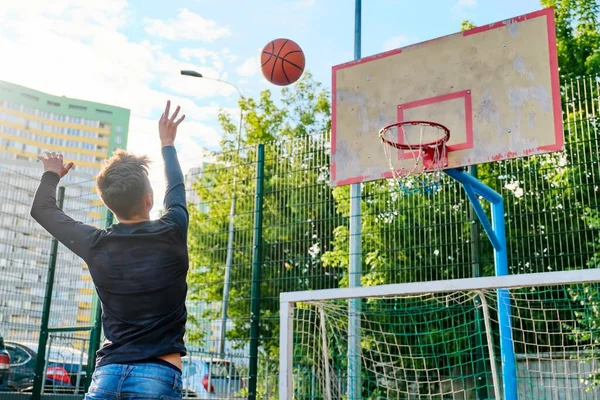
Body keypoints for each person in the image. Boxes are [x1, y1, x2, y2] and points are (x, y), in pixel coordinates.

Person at [31, 101, 189, 399]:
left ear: (108, 204)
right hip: (157, 375)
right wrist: (167, 143)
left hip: (107, 377)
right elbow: (177, 187)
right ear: (149, 199)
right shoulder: (174, 230)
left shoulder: (96, 244)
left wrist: (51, 173)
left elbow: (42, 209)